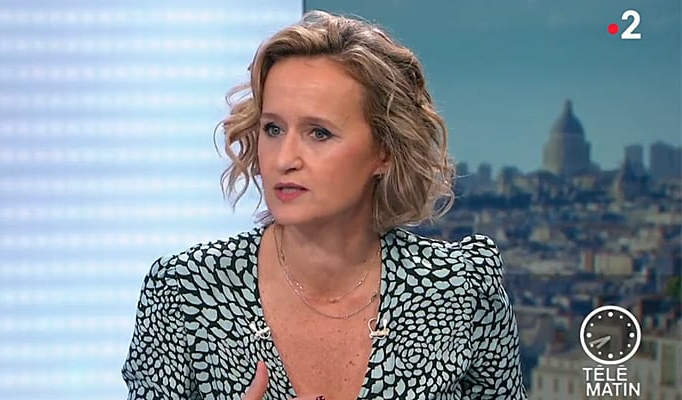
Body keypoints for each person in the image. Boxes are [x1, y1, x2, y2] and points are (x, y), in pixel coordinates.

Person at [122, 9, 528, 400]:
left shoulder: (458, 289)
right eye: (273, 129)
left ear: (384, 151)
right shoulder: (185, 292)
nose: (284, 159)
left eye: (318, 133)